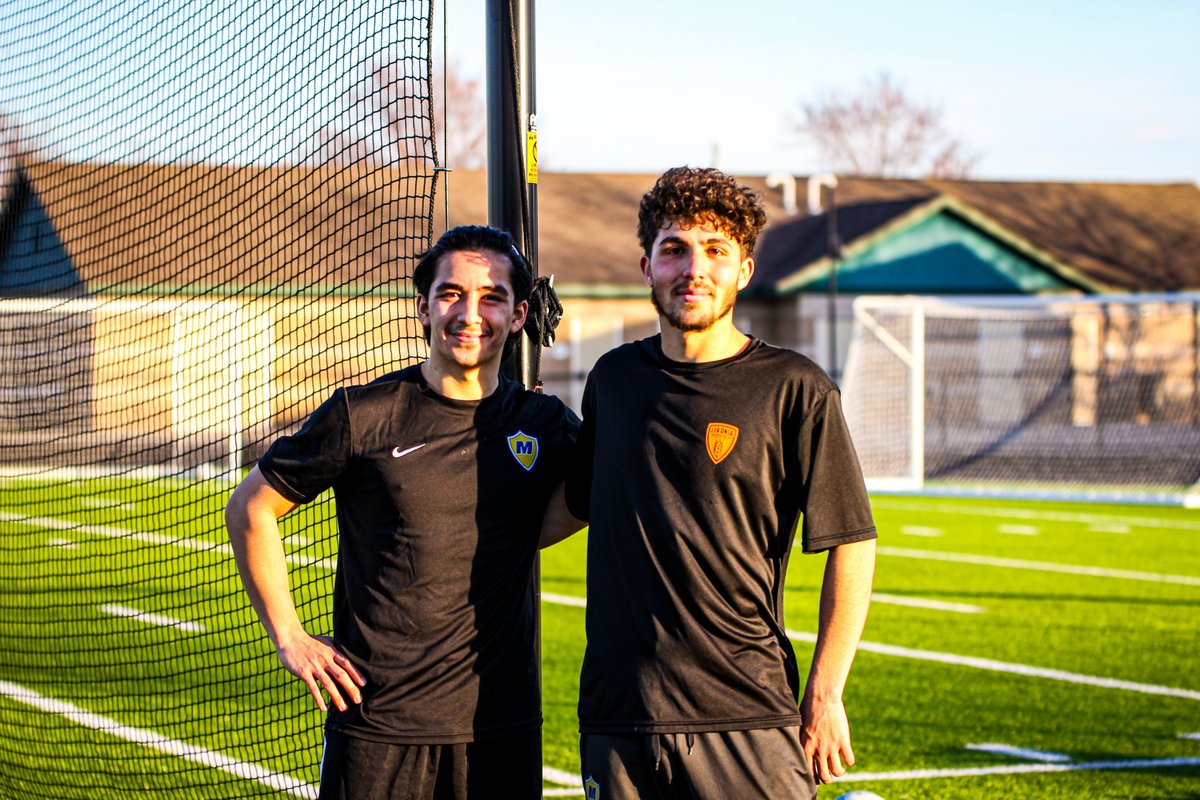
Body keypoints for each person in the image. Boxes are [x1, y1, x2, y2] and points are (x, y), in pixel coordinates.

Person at [225, 225, 580, 800]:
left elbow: (581, 501)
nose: (470, 313)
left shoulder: (544, 424)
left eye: (492, 297)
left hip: (502, 723)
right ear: (423, 308)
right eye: (451, 294)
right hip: (378, 722)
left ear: (517, 316)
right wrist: (289, 636)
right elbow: (251, 508)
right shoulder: (364, 415)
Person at [566, 166, 877, 798]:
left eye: (715, 251)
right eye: (674, 249)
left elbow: (853, 542)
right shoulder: (613, 380)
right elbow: (566, 509)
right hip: (619, 711)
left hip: (744, 709)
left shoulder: (795, 388)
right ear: (647, 266)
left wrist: (825, 694)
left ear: (744, 270)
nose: (693, 269)